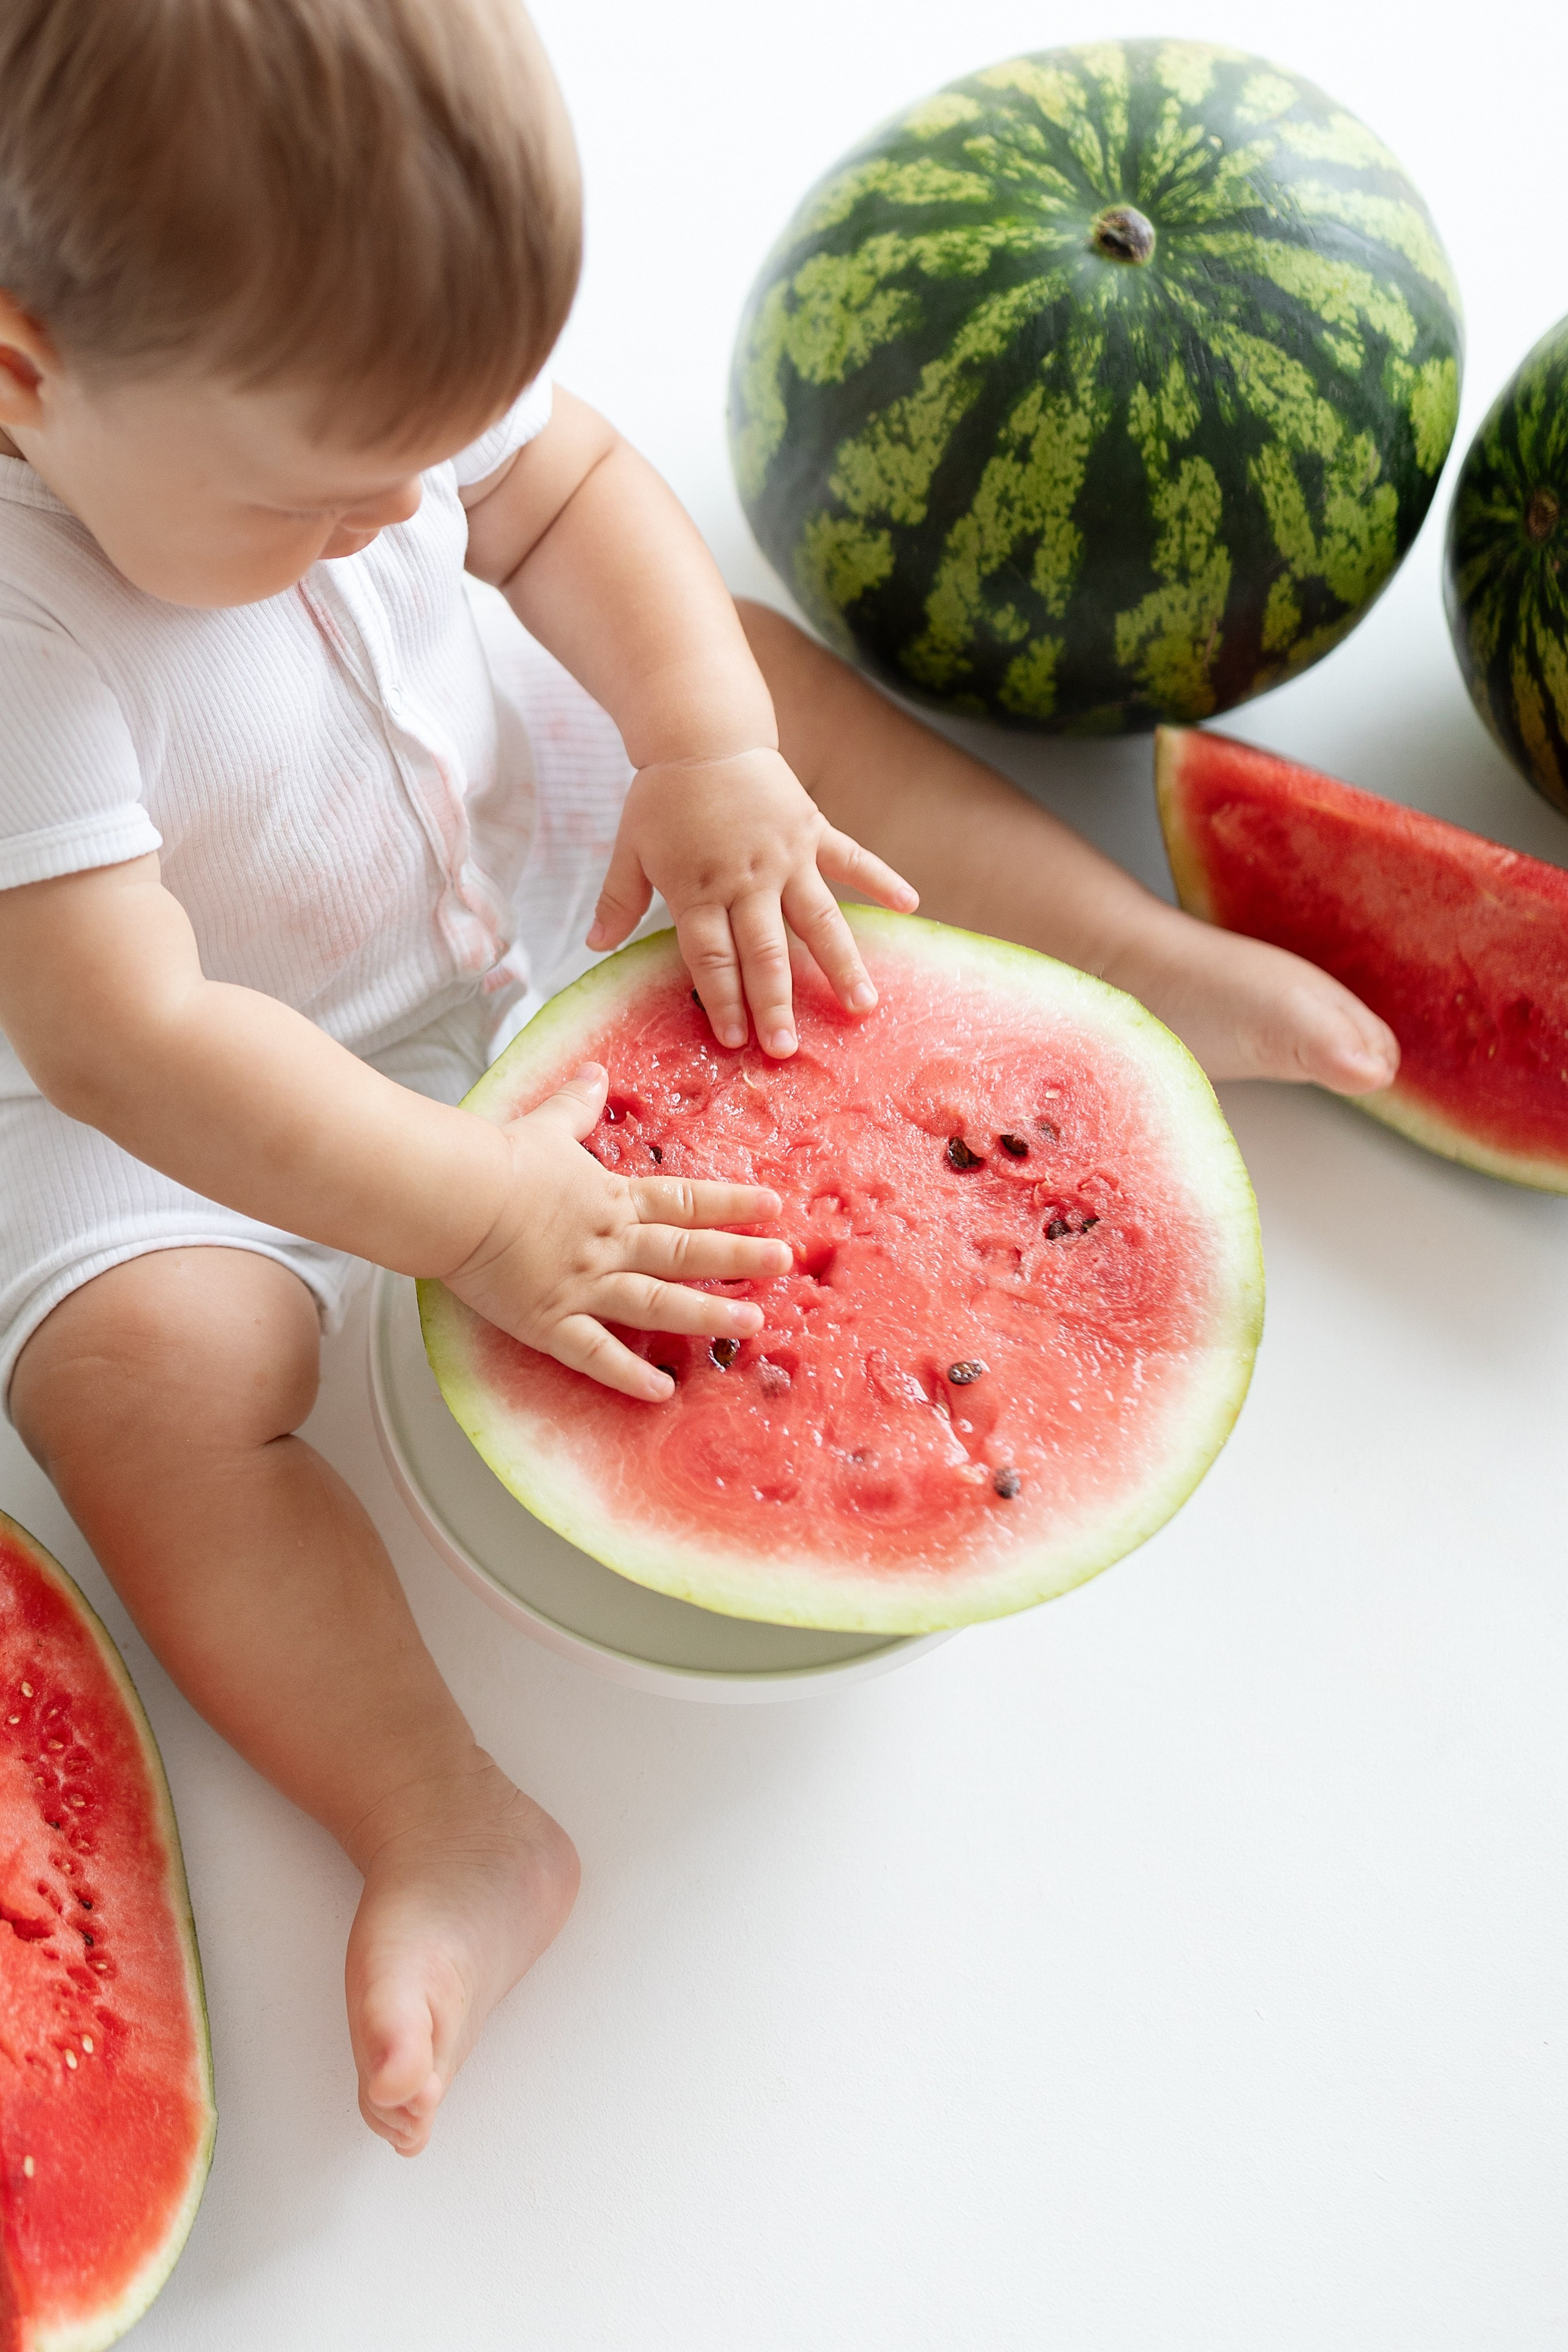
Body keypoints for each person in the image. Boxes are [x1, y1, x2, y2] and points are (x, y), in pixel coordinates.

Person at [0, 0, 1398, 2157]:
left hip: (536, 843)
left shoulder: (333, 357)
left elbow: (560, 487)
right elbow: (129, 1030)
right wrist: (466, 1212)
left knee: (754, 698)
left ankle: (1125, 950)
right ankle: (444, 1821)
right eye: (324, 496)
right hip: (181, 1094)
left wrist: (701, 753)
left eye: (427, 457)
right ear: (25, 369)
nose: (404, 515)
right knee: (140, 1386)